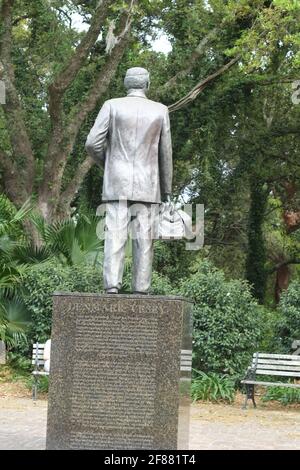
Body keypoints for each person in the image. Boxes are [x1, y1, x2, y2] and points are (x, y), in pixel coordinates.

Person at [85, 67, 173, 294]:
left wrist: (110, 165)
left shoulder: (112, 105)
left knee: (114, 236)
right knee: (144, 241)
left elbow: (92, 143)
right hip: (148, 185)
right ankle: (140, 289)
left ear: (126, 83)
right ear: (147, 84)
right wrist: (168, 191)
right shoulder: (160, 111)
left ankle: (112, 286)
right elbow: (166, 155)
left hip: (117, 183)